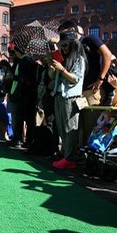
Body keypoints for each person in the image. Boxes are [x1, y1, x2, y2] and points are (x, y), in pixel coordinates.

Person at [49, 28, 87, 170]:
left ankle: (70, 158)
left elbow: (75, 79)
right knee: (61, 127)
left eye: (65, 45)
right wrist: (53, 69)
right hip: (59, 95)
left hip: (71, 97)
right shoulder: (63, 60)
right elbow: (53, 78)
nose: (63, 48)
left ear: (73, 44)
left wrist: (62, 69)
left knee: (70, 128)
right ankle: (65, 155)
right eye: (62, 45)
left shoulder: (79, 60)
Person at [58, 21, 113, 106]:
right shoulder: (67, 47)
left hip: (91, 90)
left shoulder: (89, 39)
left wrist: (100, 79)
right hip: (74, 92)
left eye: (65, 33)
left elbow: (107, 54)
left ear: (73, 30)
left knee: (91, 117)